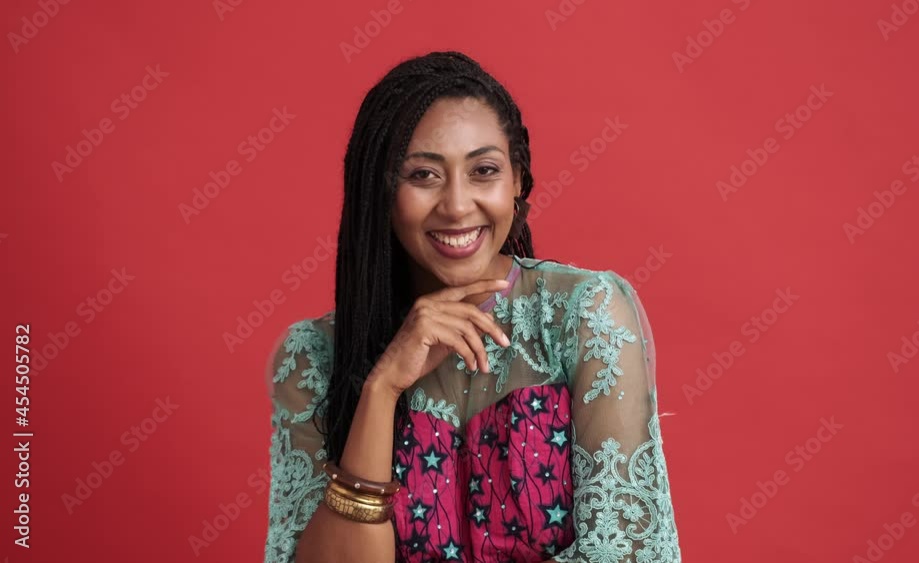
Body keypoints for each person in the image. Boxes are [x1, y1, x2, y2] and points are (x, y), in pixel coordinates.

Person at [264, 51, 682, 562]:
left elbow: (626, 556)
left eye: (484, 170)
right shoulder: (312, 359)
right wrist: (382, 390)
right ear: (380, 191)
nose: (458, 205)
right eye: (423, 175)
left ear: (518, 183)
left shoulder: (584, 316)